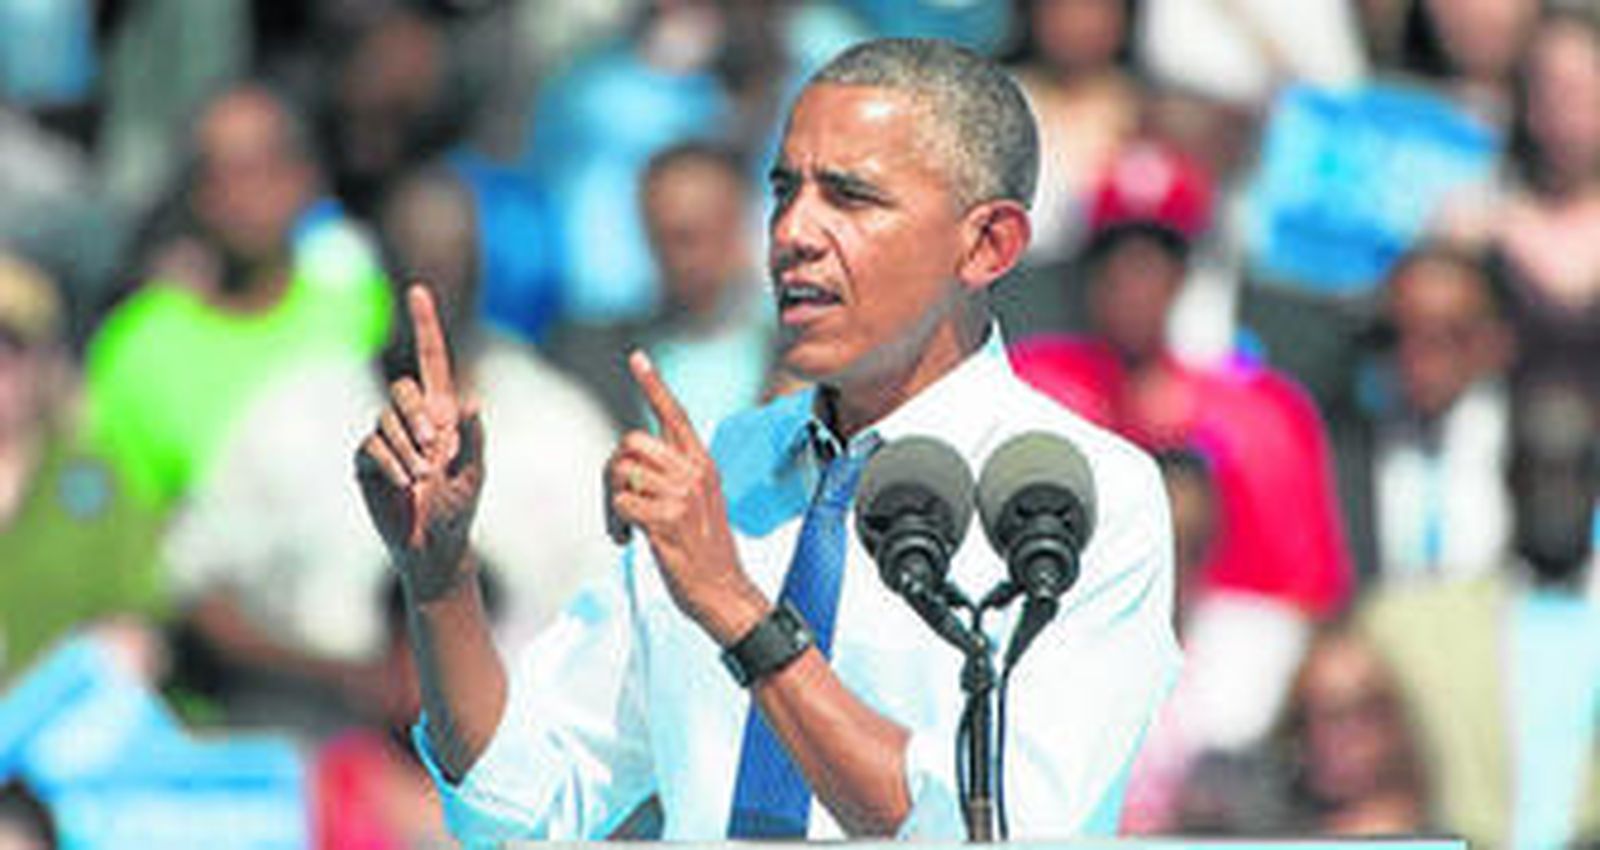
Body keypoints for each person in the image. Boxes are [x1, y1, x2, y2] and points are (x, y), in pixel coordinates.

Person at [355, 38, 1179, 841]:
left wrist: (738, 610)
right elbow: (520, 810)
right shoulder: (721, 471)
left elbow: (1005, 830)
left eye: (851, 197)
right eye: (786, 190)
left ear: (987, 244)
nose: (793, 231)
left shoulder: (1083, 499)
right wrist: (439, 580)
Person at [83, 83, 391, 509]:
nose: (243, 196)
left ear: (304, 178)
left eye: (262, 169)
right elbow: (113, 512)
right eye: (220, 175)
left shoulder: (364, 306)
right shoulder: (139, 342)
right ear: (194, 195)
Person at [1360, 376, 1600, 848]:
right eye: (1539, 473)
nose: (1557, 495)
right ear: (1509, 480)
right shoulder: (1414, 625)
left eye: (1576, 473)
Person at [0, 253, 166, 682]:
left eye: (6, 350)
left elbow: (134, 632)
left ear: (44, 362)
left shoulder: (96, 485)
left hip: (43, 736)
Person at [551, 141, 776, 436]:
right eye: (660, 235)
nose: (677, 258)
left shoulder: (802, 356)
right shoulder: (595, 358)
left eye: (690, 236)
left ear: (738, 225)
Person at [1365, 244, 1516, 585]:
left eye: (1450, 335)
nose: (1421, 357)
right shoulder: (1346, 450)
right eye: (1402, 333)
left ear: (1495, 341)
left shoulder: (1530, 449)